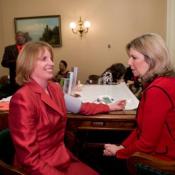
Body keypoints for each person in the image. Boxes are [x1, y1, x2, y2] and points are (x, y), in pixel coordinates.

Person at [8, 41, 126, 175]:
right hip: (38, 168)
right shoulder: (22, 98)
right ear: (28, 64)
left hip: (61, 158)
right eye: (44, 59)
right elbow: (29, 160)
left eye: (51, 58)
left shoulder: (54, 88)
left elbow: (82, 107)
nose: (52, 63)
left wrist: (110, 106)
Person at [103, 33, 175, 174]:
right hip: (163, 150)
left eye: (134, 57)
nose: (129, 63)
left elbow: (146, 144)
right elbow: (142, 129)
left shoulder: (158, 90)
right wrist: (122, 147)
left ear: (152, 59)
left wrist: (119, 153)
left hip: (164, 161)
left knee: (103, 164)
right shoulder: (164, 82)